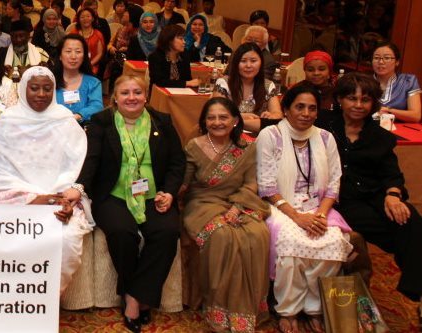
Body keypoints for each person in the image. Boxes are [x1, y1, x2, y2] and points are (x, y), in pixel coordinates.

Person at [69, 74, 184, 333]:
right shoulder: (102, 122)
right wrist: (79, 187)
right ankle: (134, 298)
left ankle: (135, 292)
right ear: (115, 98)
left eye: (137, 92)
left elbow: (178, 162)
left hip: (155, 195)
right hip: (114, 194)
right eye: (125, 93)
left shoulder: (162, 122)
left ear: (146, 96)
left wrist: (170, 192)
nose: (131, 98)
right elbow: (92, 160)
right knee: (122, 233)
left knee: (167, 233)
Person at [316, 73, 422, 321]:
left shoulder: (380, 136)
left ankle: (417, 293)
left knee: (411, 220)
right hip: (339, 199)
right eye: (351, 98)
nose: (358, 105)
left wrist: (393, 195)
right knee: (400, 234)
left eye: (365, 99)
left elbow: (392, 174)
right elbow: (282, 125)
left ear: (373, 103)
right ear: (340, 99)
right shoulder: (323, 124)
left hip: (375, 196)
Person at [0, 66, 92, 294]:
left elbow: (76, 166)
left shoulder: (65, 121)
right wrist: (33, 198)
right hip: (17, 198)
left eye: (47, 89)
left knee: (66, 237)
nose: (41, 94)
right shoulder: (8, 121)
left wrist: (57, 198)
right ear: (24, 88)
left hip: (58, 198)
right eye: (34, 88)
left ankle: (46, 300)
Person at [257, 83, 352, 333]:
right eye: (299, 107)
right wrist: (297, 217)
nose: (306, 113)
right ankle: (287, 309)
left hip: (318, 207)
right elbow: (266, 187)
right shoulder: (271, 136)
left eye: (312, 108)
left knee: (331, 240)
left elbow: (334, 183)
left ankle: (314, 308)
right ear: (286, 109)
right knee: (290, 244)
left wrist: (320, 214)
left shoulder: (325, 137)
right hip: (281, 206)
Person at [181, 97, 270, 333]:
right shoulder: (194, 146)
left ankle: (247, 311)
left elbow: (251, 184)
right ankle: (217, 308)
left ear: (235, 121)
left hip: (238, 202)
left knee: (257, 234)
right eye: (211, 117)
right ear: (204, 121)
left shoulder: (247, 146)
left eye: (223, 117)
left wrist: (237, 207)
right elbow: (183, 184)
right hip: (201, 203)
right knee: (221, 235)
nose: (217, 122)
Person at [212, 43, 281, 133]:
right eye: (243, 61)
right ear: (236, 63)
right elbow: (218, 113)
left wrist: (271, 116)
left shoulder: (268, 85)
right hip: (229, 134)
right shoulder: (224, 83)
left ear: (261, 63)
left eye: (253, 61)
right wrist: (243, 117)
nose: (248, 65)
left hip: (258, 136)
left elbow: (278, 115)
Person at [53, 34, 103, 122]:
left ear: (84, 56)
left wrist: (80, 115)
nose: (73, 57)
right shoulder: (50, 81)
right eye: (68, 51)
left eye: (78, 52)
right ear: (60, 56)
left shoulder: (93, 83)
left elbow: (97, 106)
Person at [372, 43, 421, 123]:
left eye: (387, 58)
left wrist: (388, 111)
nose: (381, 62)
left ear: (397, 62)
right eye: (376, 58)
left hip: (398, 130)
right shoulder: (364, 81)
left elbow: (416, 116)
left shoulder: (408, 81)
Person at [149, 24, 198, 90]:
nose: (184, 42)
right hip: (160, 94)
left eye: (184, 39)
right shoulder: (156, 56)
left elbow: (187, 78)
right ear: (169, 40)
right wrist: (186, 83)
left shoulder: (184, 55)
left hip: (180, 93)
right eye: (181, 39)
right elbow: (159, 82)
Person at [68, 8, 105, 76]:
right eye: (82, 17)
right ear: (78, 19)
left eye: (88, 16)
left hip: (92, 65)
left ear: (93, 18)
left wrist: (89, 64)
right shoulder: (73, 33)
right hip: (74, 64)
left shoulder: (98, 34)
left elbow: (99, 54)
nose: (85, 19)